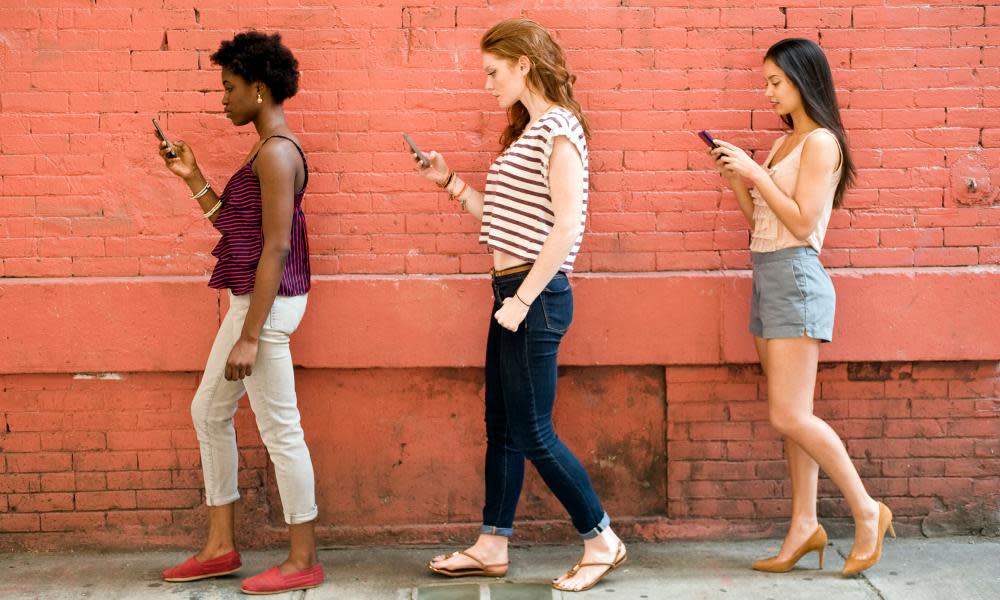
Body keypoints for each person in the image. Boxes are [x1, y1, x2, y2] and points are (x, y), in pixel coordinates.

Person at [409, 18, 625, 594]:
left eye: (492, 71)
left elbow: (568, 228)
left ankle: (601, 538)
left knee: (532, 431)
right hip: (511, 293)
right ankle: (491, 544)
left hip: (534, 296)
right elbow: (506, 222)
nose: (486, 83)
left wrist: (523, 299)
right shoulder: (528, 132)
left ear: (523, 64)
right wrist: (448, 181)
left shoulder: (559, 128)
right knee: (502, 427)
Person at [709, 38, 893, 577]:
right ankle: (803, 526)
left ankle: (866, 510)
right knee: (793, 420)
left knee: (789, 414)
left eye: (775, 82)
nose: (767, 92)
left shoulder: (821, 145)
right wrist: (739, 180)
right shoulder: (782, 144)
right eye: (765, 82)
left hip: (795, 275)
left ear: (802, 79)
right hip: (768, 274)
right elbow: (762, 221)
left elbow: (801, 221)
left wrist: (756, 172)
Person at [156, 31, 323, 595]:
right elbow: (237, 229)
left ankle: (303, 559)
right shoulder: (264, 148)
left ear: (258, 89)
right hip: (257, 304)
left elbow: (276, 247)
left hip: (265, 309)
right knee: (209, 412)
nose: (222, 98)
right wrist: (194, 179)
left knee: (281, 431)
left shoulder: (277, 152)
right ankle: (221, 547)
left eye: (228, 88)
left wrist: (249, 337)